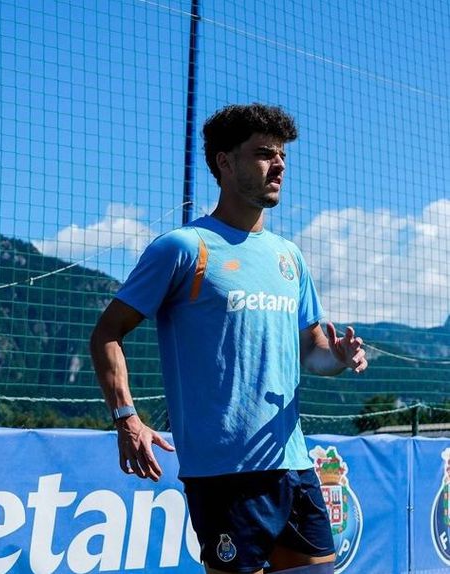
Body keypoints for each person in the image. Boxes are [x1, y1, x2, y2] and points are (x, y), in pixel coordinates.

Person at [88, 103, 367, 574]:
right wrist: (127, 419)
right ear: (223, 162)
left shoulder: (289, 257)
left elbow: (311, 353)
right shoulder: (183, 248)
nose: (278, 165)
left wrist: (336, 357)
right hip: (224, 475)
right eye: (263, 154)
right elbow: (106, 334)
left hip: (294, 463)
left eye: (281, 156)